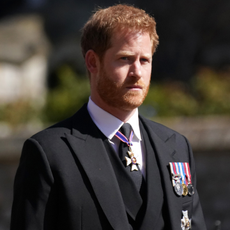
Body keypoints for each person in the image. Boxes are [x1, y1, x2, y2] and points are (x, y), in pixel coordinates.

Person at [10, 4, 206, 230]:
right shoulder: (49, 153)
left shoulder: (176, 146)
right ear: (93, 62)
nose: (137, 73)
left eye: (144, 60)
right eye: (125, 59)